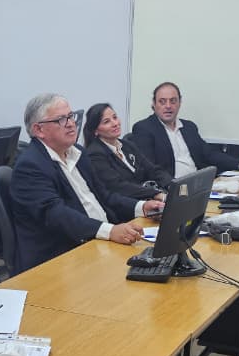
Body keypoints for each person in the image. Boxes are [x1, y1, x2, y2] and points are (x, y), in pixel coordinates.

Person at [10, 94, 163, 272]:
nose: (71, 123)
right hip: (64, 257)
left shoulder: (77, 153)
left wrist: (143, 207)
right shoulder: (30, 166)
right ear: (39, 130)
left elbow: (105, 196)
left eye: (71, 116)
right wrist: (109, 231)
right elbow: (56, 215)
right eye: (61, 119)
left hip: (99, 241)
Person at [129, 82, 239, 178]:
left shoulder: (189, 127)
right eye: (162, 102)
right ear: (154, 104)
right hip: (171, 190)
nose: (168, 106)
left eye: (173, 101)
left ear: (180, 103)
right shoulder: (144, 128)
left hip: (198, 185)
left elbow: (209, 154)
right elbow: (151, 169)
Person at [82, 102, 173, 201]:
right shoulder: (95, 154)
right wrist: (156, 195)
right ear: (95, 130)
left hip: (147, 197)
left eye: (115, 117)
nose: (115, 123)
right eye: (106, 122)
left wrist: (172, 185)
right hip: (127, 203)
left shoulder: (127, 145)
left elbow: (152, 170)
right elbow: (118, 186)